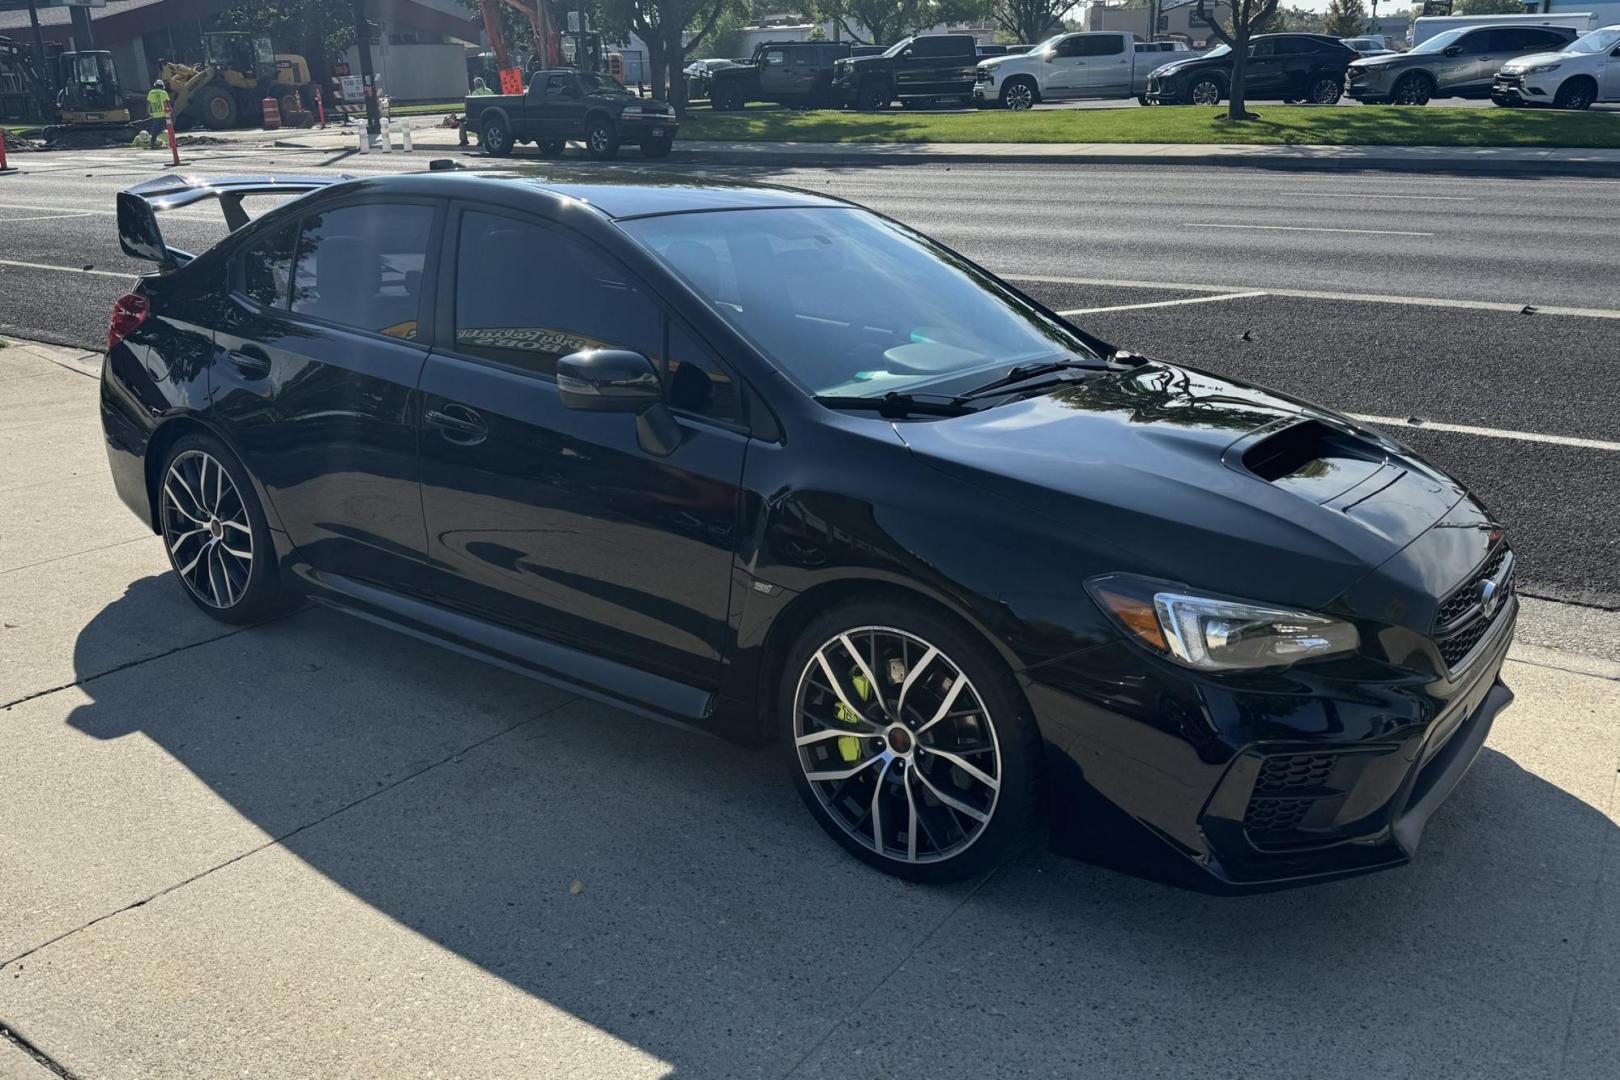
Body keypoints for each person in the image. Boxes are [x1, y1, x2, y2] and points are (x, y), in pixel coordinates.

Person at [459, 77, 495, 147]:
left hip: (477, 115)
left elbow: (471, 107)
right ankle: (481, 140)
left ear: (476, 85)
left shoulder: (475, 93)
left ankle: (464, 140)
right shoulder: (489, 91)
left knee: (461, 120)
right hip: (489, 115)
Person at [146, 80, 170, 147]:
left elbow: (148, 103)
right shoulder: (163, 92)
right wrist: (171, 112)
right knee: (169, 129)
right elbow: (167, 103)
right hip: (164, 114)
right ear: (162, 86)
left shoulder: (151, 92)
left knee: (154, 130)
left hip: (156, 115)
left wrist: (148, 111)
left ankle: (152, 142)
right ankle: (171, 142)